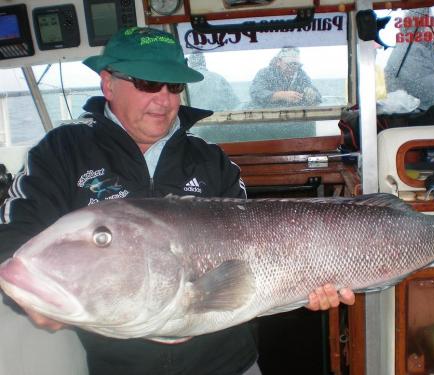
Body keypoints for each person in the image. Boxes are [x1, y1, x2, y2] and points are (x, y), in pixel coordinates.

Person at [0, 27, 354, 375]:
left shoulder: (210, 159)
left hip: (227, 362)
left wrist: (310, 283)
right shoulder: (60, 153)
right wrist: (26, 296)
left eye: (175, 86)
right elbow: (13, 239)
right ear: (108, 84)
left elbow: (257, 250)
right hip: (122, 367)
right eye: (148, 84)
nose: (165, 99)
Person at [249, 47, 322, 108]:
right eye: (290, 64)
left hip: (296, 117)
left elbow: (318, 96)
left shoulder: (301, 74)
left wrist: (312, 94)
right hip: (270, 117)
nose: (293, 68)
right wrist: (281, 95)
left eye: (296, 65)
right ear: (278, 61)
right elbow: (256, 93)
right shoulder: (265, 73)